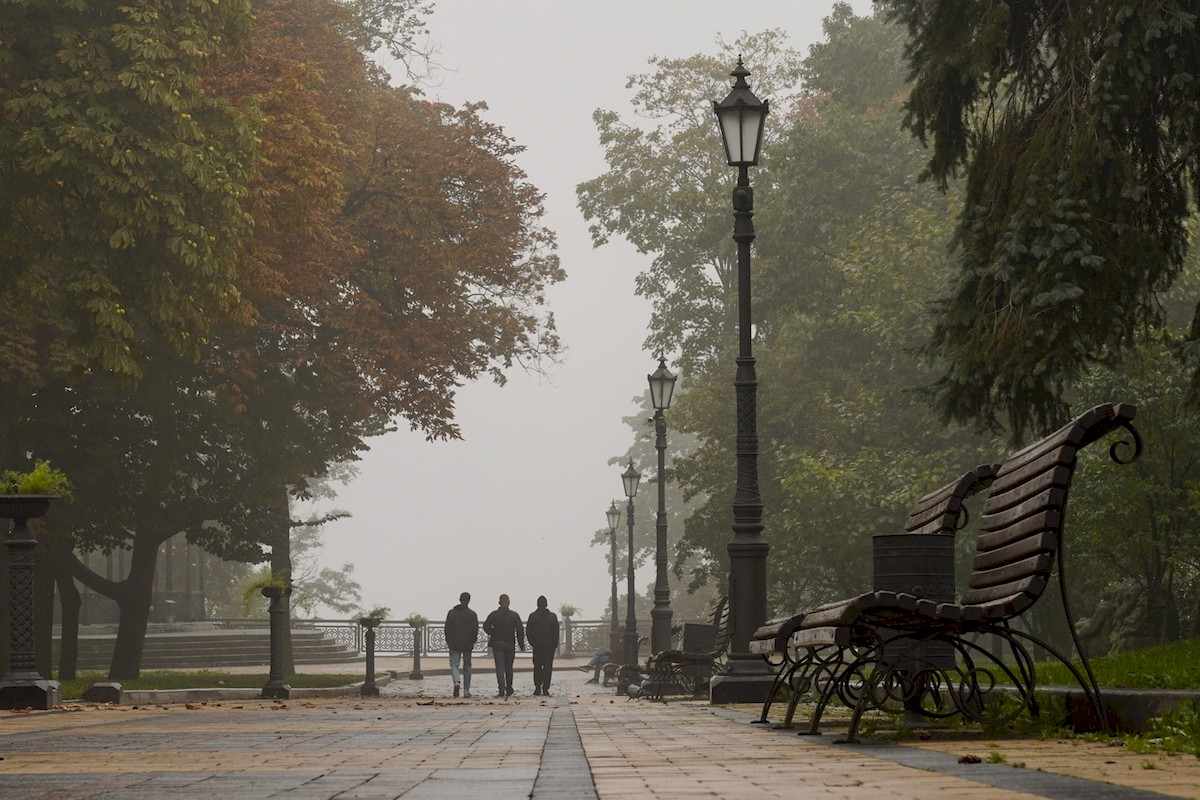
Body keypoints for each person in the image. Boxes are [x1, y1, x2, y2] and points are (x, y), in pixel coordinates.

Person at [482, 593, 525, 698]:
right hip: (510, 644)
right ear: (509, 602)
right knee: (509, 667)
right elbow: (520, 630)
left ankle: (501, 689)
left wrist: (493, 632)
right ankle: (509, 688)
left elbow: (485, 626)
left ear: (499, 602)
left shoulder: (494, 614)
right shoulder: (514, 615)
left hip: (498, 643)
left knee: (500, 667)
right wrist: (521, 644)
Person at [444, 591, 479, 698]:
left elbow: (447, 628)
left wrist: (449, 641)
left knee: (454, 664)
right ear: (469, 600)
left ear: (459, 599)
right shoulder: (472, 614)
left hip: (454, 643)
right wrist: (472, 641)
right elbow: (475, 630)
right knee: (467, 666)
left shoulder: (451, 613)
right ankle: (466, 690)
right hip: (467, 644)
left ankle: (456, 682)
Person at [525, 596, 559, 696]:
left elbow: (528, 631)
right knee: (548, 667)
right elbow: (556, 632)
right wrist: (554, 644)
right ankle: (545, 688)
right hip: (549, 646)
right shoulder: (553, 616)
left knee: (537, 666)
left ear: (537, 604)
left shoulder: (532, 616)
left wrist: (532, 642)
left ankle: (537, 687)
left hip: (537, 646)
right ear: (546, 604)